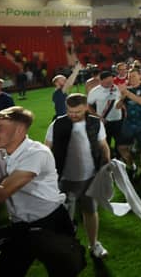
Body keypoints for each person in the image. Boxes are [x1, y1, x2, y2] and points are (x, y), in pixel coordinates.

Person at [0, 107, 85, 276]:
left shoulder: (36, 153)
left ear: (19, 129)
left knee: (63, 272)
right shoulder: (0, 155)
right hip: (20, 226)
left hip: (51, 224)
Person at [45, 93, 111, 259]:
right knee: (65, 217)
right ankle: (68, 249)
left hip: (91, 177)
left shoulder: (95, 123)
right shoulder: (58, 124)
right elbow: (46, 149)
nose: (73, 115)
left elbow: (103, 146)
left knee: (90, 211)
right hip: (65, 180)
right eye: (70, 111)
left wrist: (107, 164)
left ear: (87, 108)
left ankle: (94, 244)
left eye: (78, 112)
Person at [116, 68, 141, 183]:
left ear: (140, 76)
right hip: (129, 123)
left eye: (134, 76)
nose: (131, 78)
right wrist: (122, 96)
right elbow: (117, 106)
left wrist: (127, 93)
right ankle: (132, 166)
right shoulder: (127, 90)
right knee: (121, 147)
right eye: (130, 76)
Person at [87, 71, 122, 157]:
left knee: (120, 143)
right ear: (101, 81)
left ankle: (119, 159)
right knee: (105, 143)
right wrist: (97, 116)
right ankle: (107, 159)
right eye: (108, 82)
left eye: (111, 81)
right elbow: (88, 105)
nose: (111, 83)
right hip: (103, 122)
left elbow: (121, 103)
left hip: (118, 120)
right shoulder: (95, 91)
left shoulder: (117, 88)